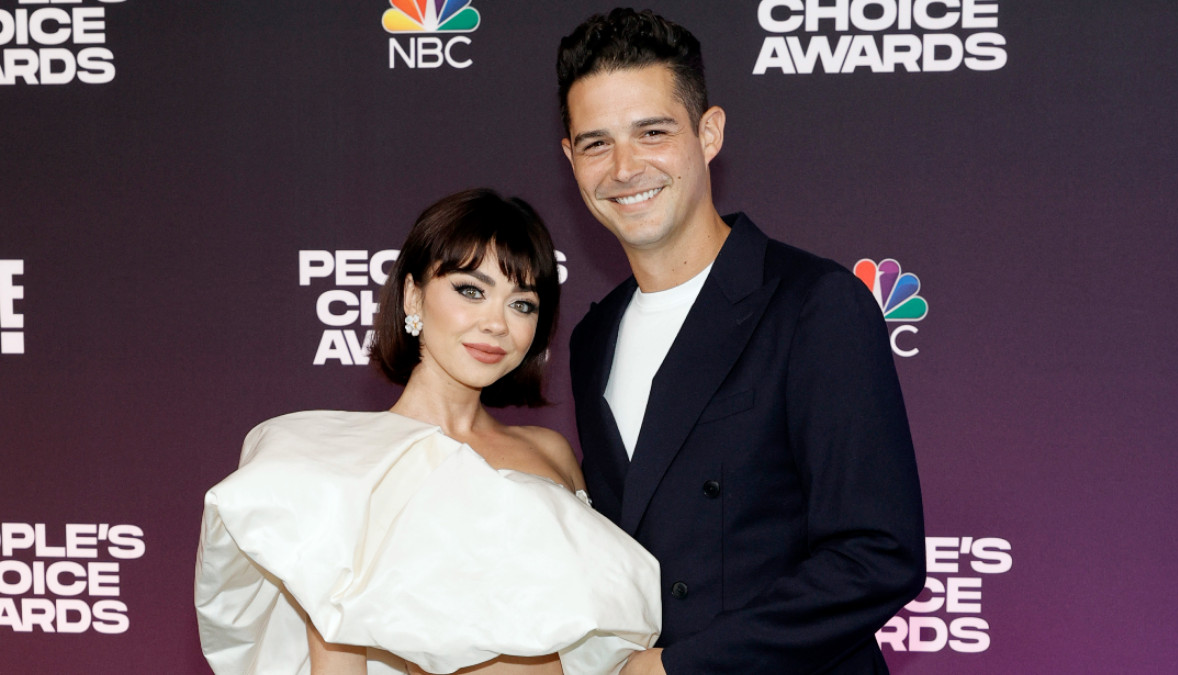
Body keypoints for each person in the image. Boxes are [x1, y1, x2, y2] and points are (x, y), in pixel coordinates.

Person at [557, 10, 925, 674]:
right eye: (596, 143)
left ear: (709, 132)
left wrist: (682, 666)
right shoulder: (592, 339)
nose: (625, 167)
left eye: (652, 132)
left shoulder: (814, 304)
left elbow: (876, 552)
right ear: (569, 158)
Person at [195, 188, 661, 675]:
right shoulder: (341, 470)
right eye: (471, 291)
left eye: (522, 304)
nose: (497, 323)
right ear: (413, 294)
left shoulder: (551, 453)